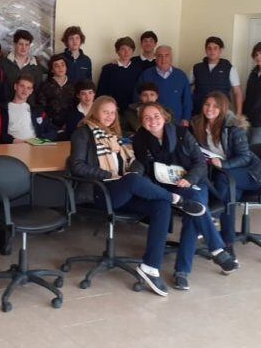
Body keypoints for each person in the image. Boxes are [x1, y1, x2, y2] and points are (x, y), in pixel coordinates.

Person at [68, 96, 206, 297]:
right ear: (95, 111)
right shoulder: (82, 133)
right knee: (134, 182)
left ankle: (151, 266)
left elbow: (132, 161)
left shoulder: (114, 134)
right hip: (100, 192)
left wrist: (134, 169)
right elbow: (77, 166)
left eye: (113, 112)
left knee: (160, 204)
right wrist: (111, 175)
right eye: (105, 111)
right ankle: (177, 199)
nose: (109, 116)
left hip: (121, 189)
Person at [132, 102, 239, 290]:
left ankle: (184, 270)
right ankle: (214, 251)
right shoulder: (140, 139)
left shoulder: (181, 133)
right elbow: (143, 166)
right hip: (165, 188)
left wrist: (189, 179)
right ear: (142, 122)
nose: (152, 120)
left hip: (193, 183)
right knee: (195, 207)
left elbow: (200, 163)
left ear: (165, 117)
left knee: (194, 206)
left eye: (156, 115)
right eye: (147, 118)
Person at [191, 92, 261, 257]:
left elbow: (245, 157)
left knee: (224, 181)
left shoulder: (233, 127)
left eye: (215, 106)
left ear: (223, 108)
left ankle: (212, 220)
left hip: (251, 174)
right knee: (228, 196)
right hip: (229, 176)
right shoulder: (199, 125)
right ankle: (227, 241)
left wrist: (223, 164)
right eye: (207, 104)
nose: (210, 109)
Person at [138, 45, 192, 126]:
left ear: (171, 57)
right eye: (160, 56)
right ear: (155, 58)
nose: (163, 59)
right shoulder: (146, 74)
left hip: (176, 122)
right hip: (152, 123)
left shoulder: (181, 75)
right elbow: (137, 97)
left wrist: (186, 118)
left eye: (167, 55)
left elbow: (187, 99)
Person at [191, 36, 243, 116]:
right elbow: (186, 88)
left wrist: (238, 113)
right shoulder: (196, 68)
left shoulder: (229, 68)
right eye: (209, 48)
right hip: (199, 111)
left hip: (221, 112)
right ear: (205, 50)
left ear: (221, 50)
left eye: (215, 48)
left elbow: (237, 92)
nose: (212, 51)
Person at [0, 75, 57, 143]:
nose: (25, 90)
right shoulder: (2, 109)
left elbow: (52, 131)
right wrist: (13, 141)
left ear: (31, 91)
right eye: (22, 86)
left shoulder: (37, 110)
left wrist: (38, 141)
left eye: (28, 88)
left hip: (35, 147)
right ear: (15, 86)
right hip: (13, 146)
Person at [97, 36, 144, 112]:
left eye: (129, 49)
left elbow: (140, 91)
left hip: (132, 110)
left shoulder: (138, 69)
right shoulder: (108, 69)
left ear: (133, 51)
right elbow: (102, 91)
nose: (126, 52)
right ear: (117, 51)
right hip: (112, 110)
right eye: (123, 49)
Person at [36, 54, 76, 133]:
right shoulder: (45, 85)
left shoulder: (73, 85)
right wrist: (47, 122)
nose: (60, 68)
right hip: (50, 125)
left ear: (66, 67)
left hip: (70, 125)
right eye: (56, 66)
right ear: (52, 70)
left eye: (62, 65)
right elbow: (41, 107)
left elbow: (76, 106)